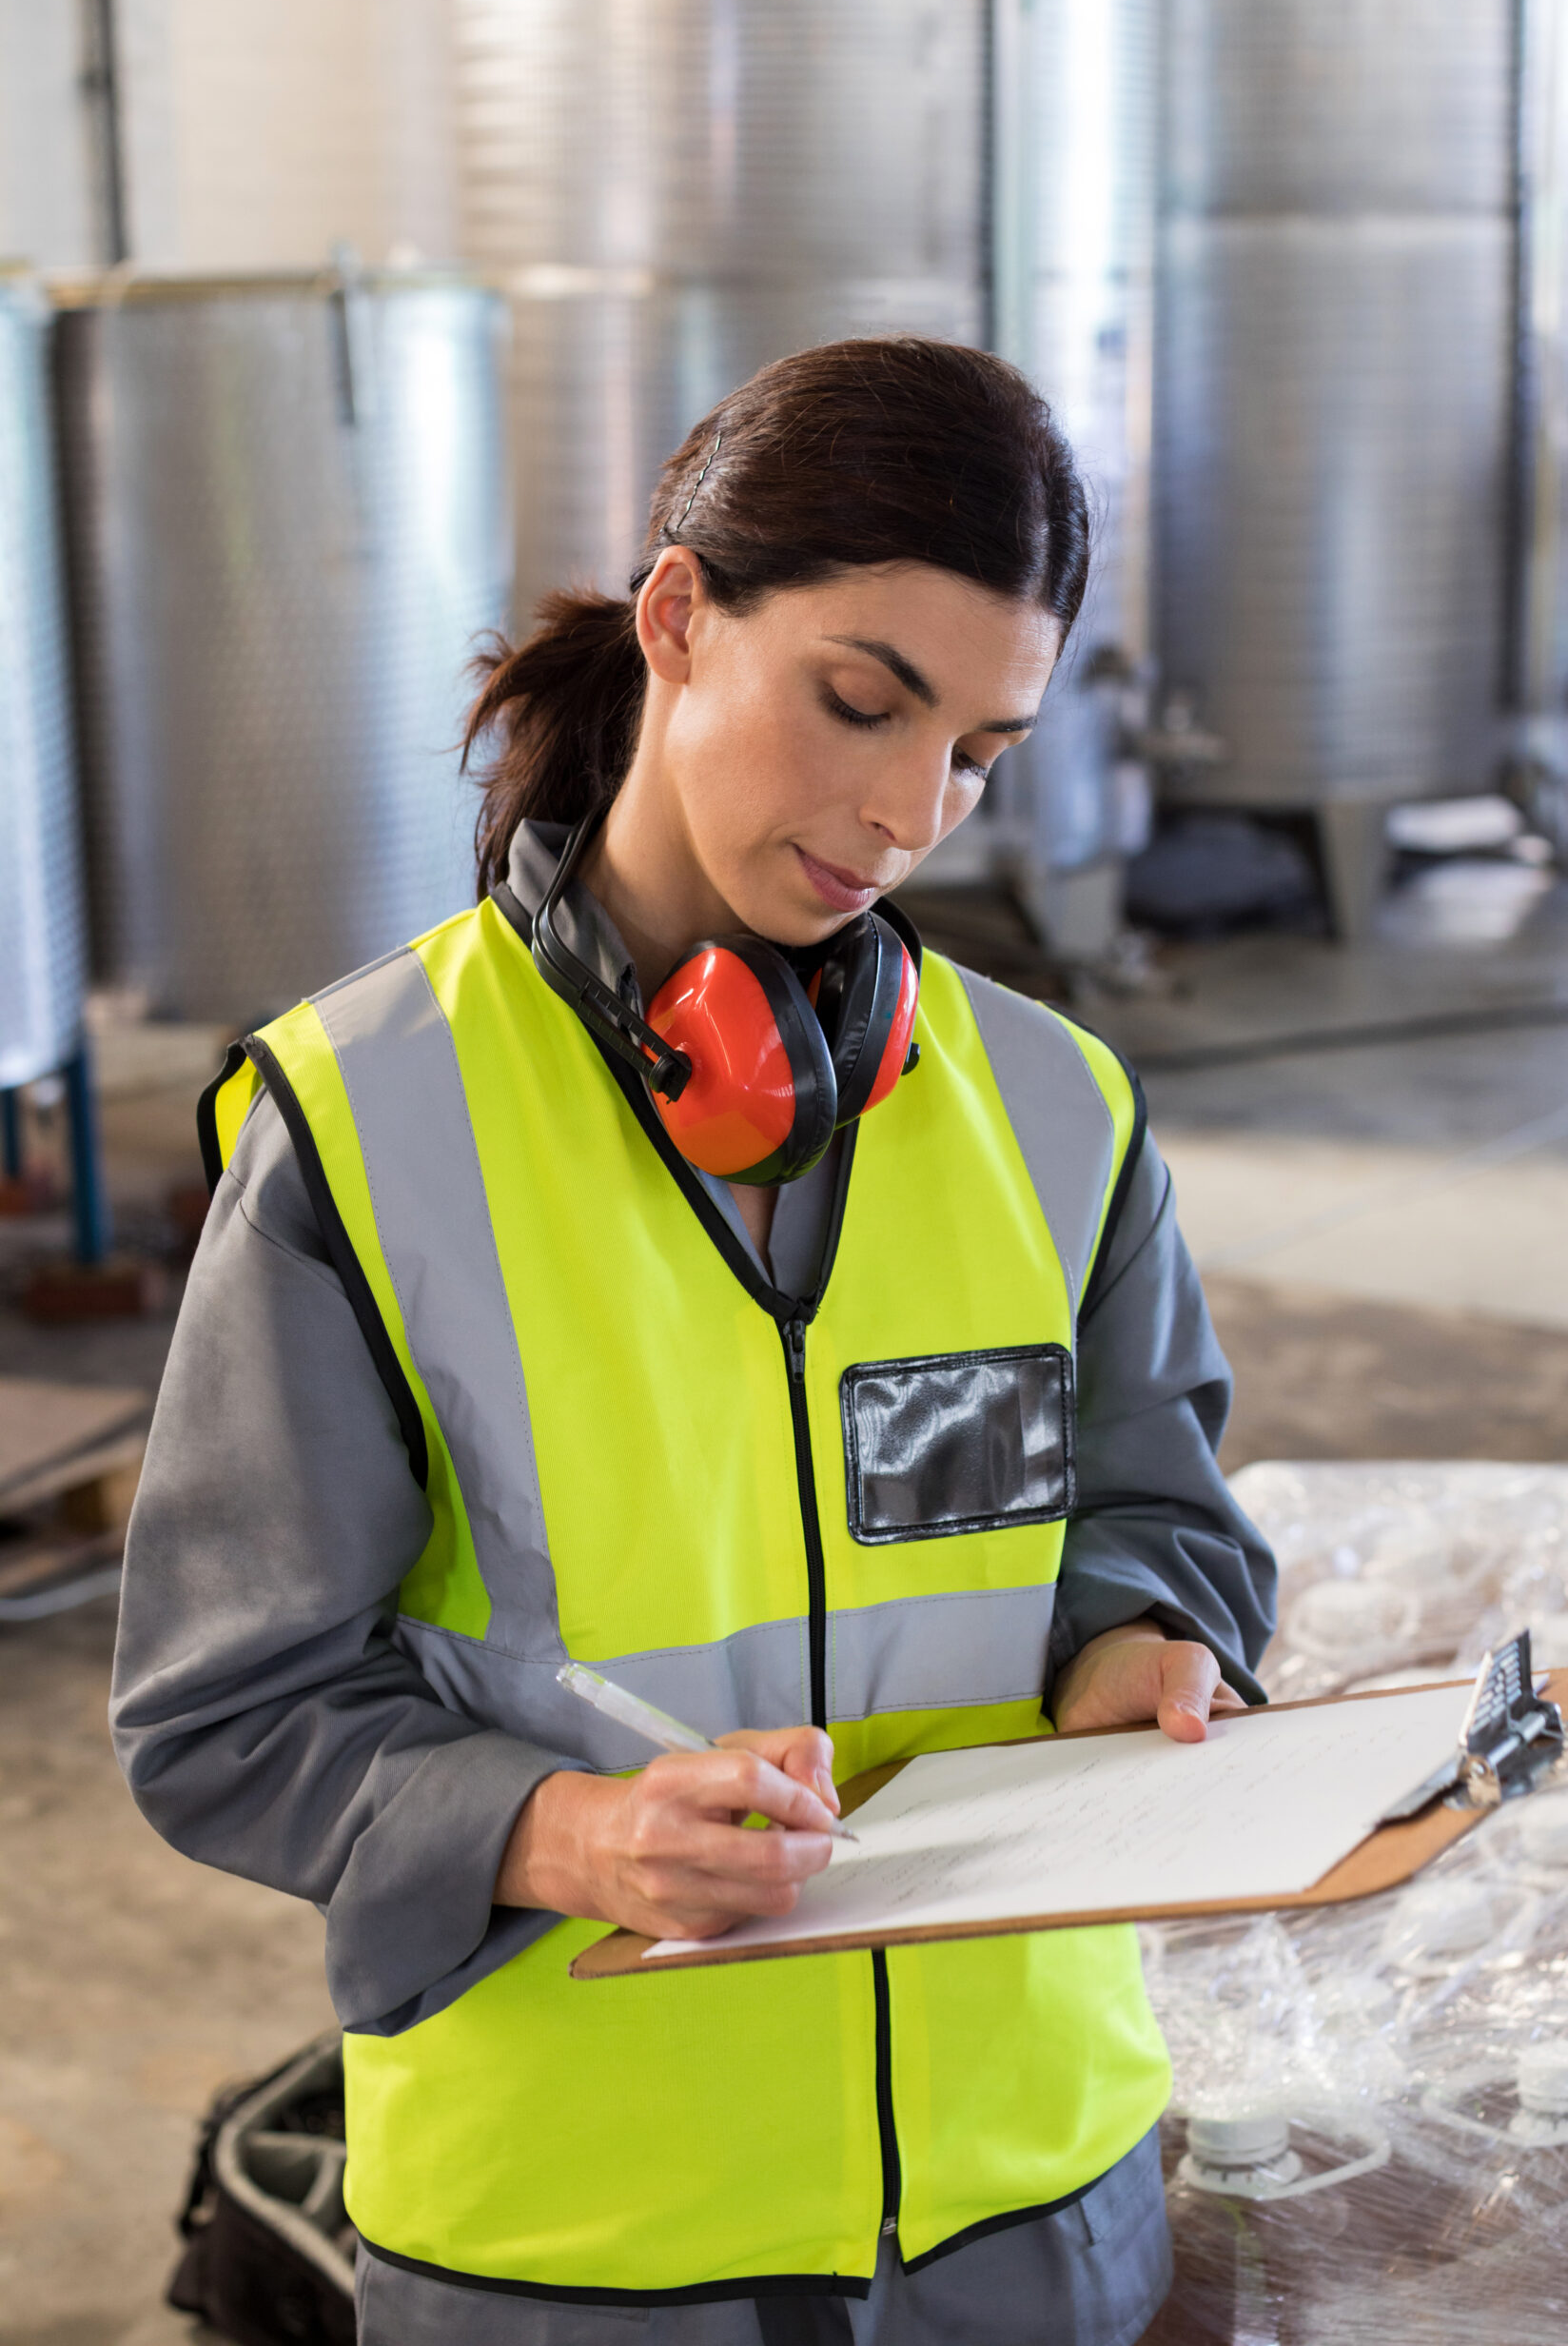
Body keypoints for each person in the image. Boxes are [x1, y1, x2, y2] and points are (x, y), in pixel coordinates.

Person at [111, 335, 1277, 2346]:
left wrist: (1135, 1642)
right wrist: (556, 1828)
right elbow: (227, 1708)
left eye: (980, 751)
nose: (912, 810)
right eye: (858, 699)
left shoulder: (1057, 1111)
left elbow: (1160, 1517)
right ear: (675, 617)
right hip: (579, 2247)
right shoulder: (366, 1122)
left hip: (1031, 2206)